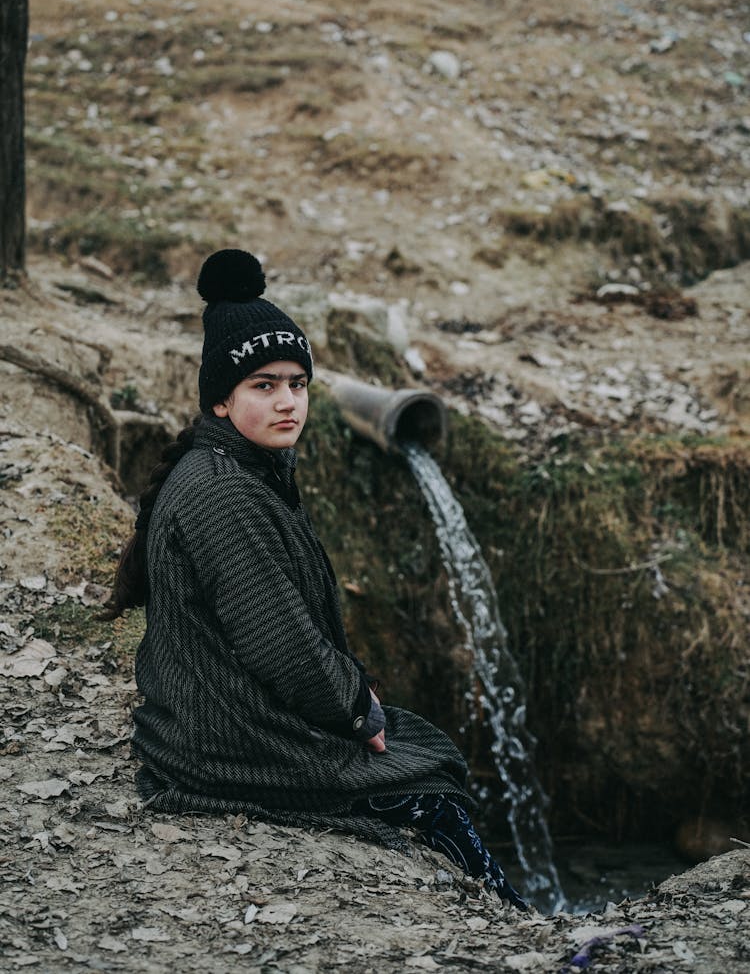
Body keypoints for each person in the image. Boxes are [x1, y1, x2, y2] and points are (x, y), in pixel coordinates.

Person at [105, 248, 527, 911]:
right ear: (221, 398)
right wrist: (357, 707)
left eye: (297, 384)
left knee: (425, 750)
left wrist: (357, 695)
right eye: (264, 386)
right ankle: (512, 920)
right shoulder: (221, 492)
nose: (287, 402)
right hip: (223, 740)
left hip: (213, 716)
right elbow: (282, 642)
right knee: (432, 780)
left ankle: (508, 909)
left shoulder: (244, 469)